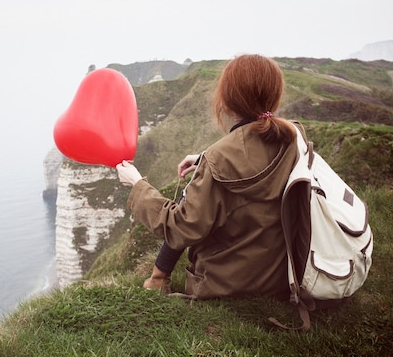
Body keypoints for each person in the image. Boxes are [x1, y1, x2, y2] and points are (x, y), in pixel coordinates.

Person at [116, 54, 300, 300]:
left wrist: (137, 184)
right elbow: (255, 157)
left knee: (185, 204)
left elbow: (181, 228)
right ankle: (159, 278)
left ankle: (158, 279)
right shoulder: (293, 137)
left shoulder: (220, 159)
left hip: (225, 286)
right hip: (279, 276)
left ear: (226, 101)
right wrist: (205, 159)